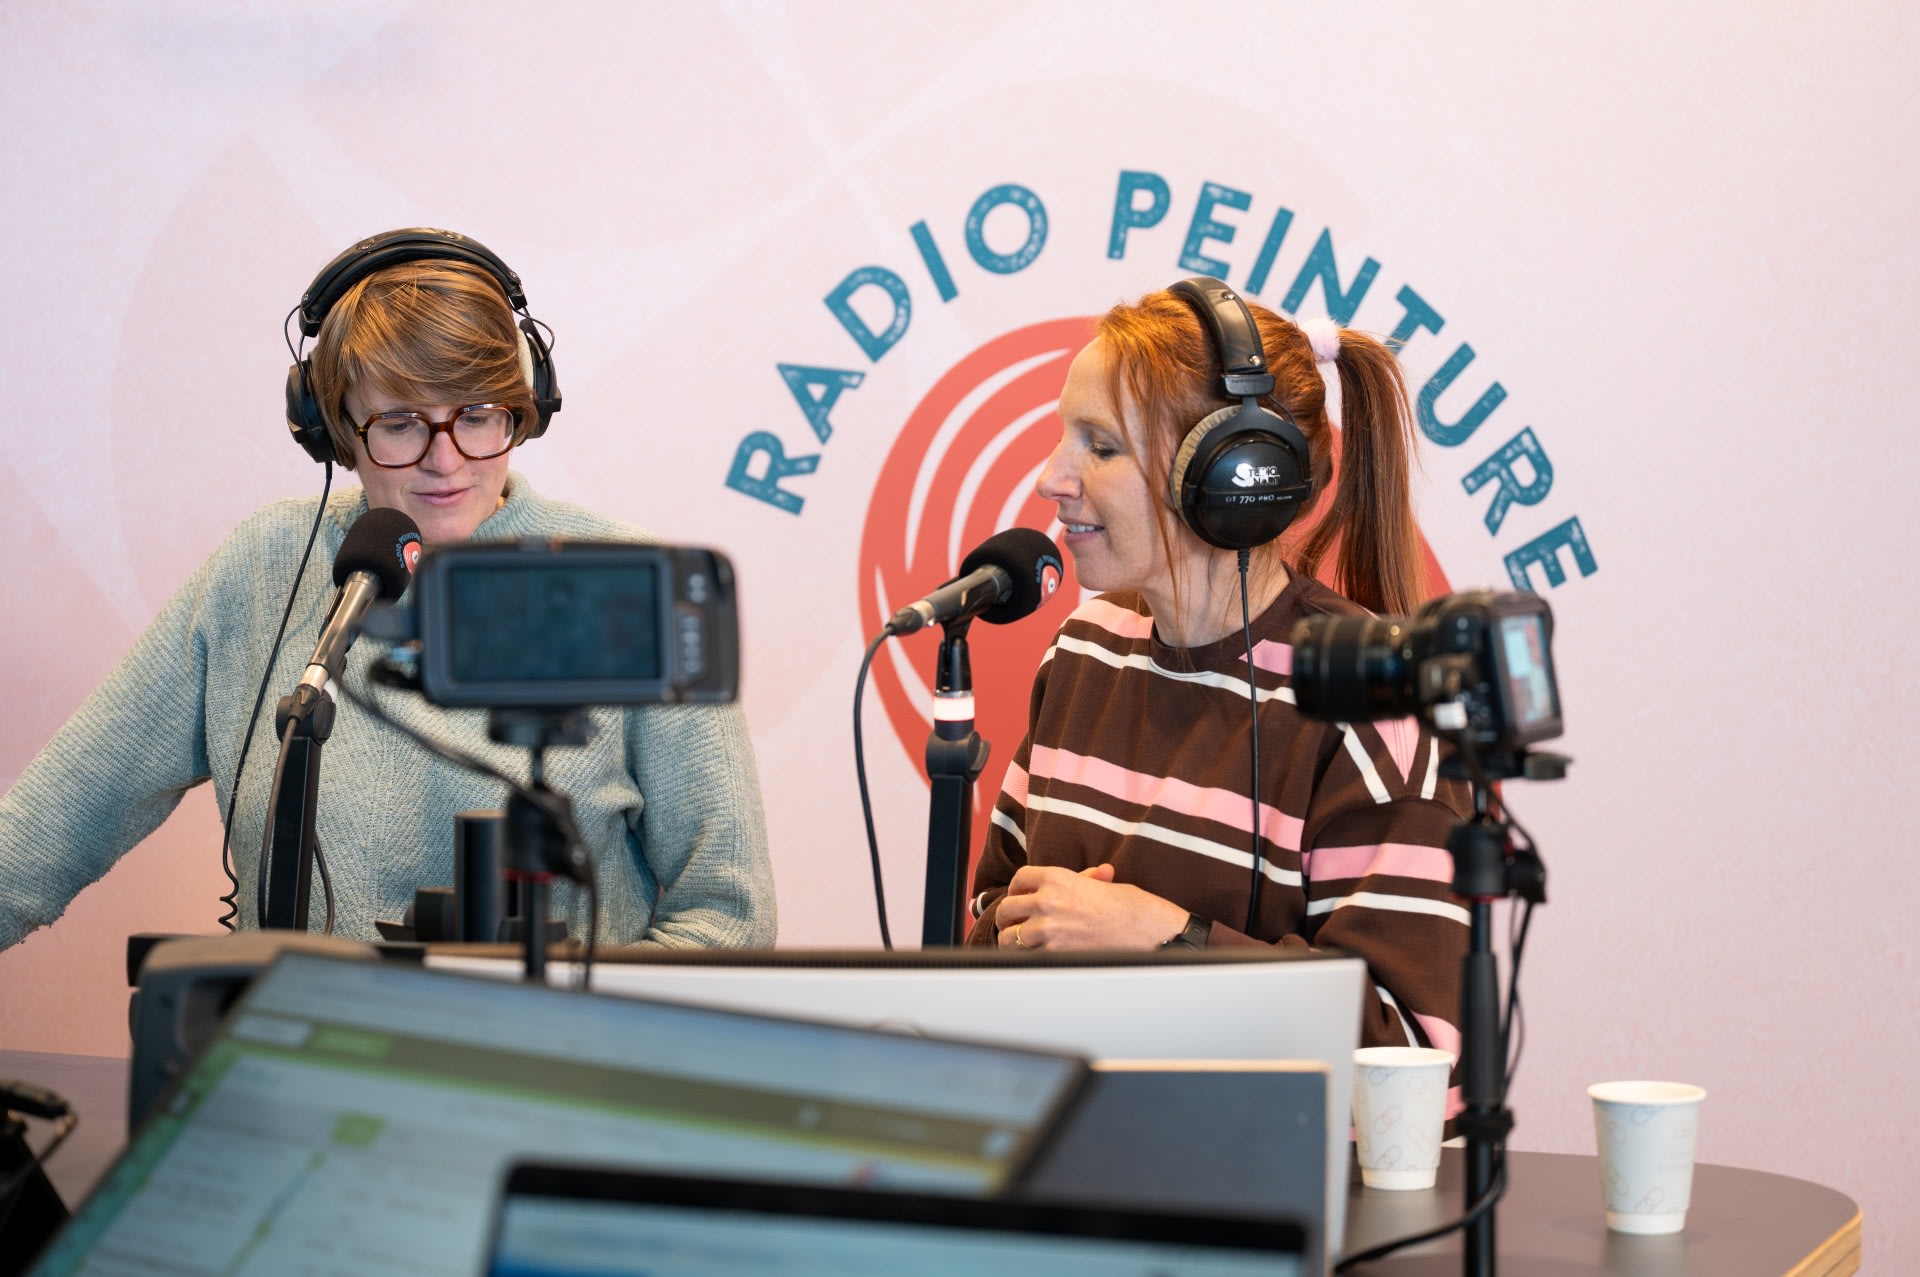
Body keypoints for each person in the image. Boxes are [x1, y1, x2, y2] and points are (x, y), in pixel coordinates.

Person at [0, 229, 776, 949]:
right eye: (402, 422)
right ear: (334, 426)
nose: (447, 461)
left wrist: (584, 1052)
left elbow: (728, 917)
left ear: (523, 407)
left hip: (561, 1075)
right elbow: (48, 828)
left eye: (477, 415)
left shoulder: (629, 582)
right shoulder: (264, 565)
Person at [967, 281, 1469, 1053]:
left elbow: (1407, 1060)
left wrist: (1165, 939)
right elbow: (991, 921)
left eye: (1100, 447)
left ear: (1233, 480)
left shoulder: (1373, 699)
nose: (1051, 478)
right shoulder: (1085, 647)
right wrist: (1020, 936)